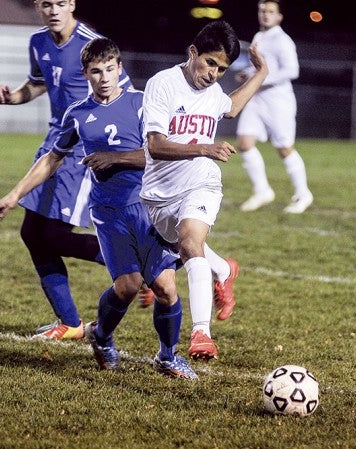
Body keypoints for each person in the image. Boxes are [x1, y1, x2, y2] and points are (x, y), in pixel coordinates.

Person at [0, 37, 198, 380]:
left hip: (148, 207)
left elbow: (160, 152)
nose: (104, 77)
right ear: (85, 73)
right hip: (109, 211)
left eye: (110, 70)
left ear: (120, 69)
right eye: (96, 71)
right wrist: (13, 196)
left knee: (165, 288)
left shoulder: (142, 104)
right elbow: (51, 159)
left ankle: (168, 356)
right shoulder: (78, 114)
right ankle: (100, 337)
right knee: (128, 286)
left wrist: (114, 158)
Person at [0, 0, 153, 341]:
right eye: (46, 4)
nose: (53, 10)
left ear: (72, 4)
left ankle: (137, 266)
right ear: (38, 7)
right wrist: (12, 97)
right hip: (55, 140)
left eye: (60, 3)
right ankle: (71, 323)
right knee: (32, 235)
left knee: (50, 235)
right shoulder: (38, 42)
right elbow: (38, 84)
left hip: (82, 149)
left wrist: (122, 151)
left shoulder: (91, 44)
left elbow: (127, 96)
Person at [140, 20, 268, 361]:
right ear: (192, 52)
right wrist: (203, 147)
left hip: (202, 182)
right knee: (182, 245)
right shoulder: (163, 84)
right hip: (159, 193)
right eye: (210, 62)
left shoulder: (213, 94)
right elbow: (155, 146)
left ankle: (201, 334)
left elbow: (232, 106)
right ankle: (224, 270)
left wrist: (262, 72)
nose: (214, 74)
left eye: (222, 69)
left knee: (190, 242)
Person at [235, 0, 313, 213]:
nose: (265, 15)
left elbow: (292, 71)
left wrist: (260, 79)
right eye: (262, 11)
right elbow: (258, 67)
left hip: (279, 101)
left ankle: (303, 194)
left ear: (279, 17)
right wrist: (248, 75)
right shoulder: (259, 37)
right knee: (244, 142)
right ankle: (262, 191)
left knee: (284, 148)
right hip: (257, 99)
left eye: (270, 12)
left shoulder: (283, 40)